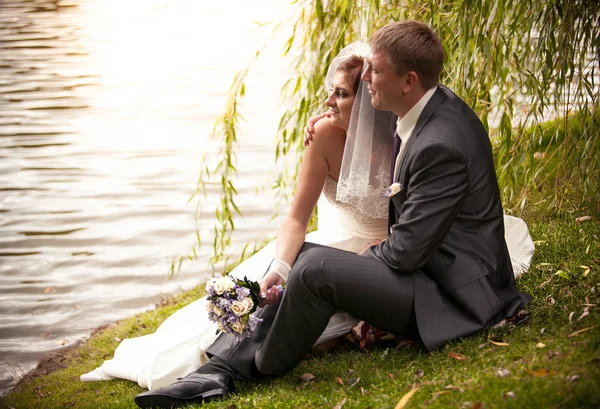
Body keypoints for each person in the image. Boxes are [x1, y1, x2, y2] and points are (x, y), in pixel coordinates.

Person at [133, 20, 533, 409]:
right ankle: (220, 369)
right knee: (305, 255)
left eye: (375, 71)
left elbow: (406, 253)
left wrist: (346, 263)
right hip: (433, 270)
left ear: (409, 81)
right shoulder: (425, 109)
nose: (367, 80)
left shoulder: (438, 144)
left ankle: (241, 372)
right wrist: (333, 120)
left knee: (318, 269)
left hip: (452, 293)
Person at [79, 42, 400, 389]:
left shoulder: (407, 142)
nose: (327, 103)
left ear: (369, 100)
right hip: (324, 248)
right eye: (330, 92)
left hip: (381, 257)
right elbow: (296, 219)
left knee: (305, 328)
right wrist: (279, 269)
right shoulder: (323, 135)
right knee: (229, 321)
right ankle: (208, 367)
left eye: (340, 94)